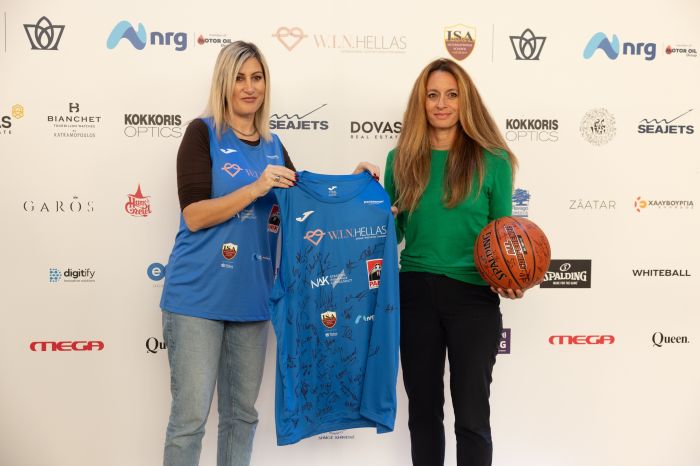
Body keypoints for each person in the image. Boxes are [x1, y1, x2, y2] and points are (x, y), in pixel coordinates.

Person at [159, 41, 378, 466]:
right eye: (239, 78)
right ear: (223, 83)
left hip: (253, 300)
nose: (249, 87)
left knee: (242, 417)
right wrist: (256, 187)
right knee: (189, 421)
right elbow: (195, 215)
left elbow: (308, 206)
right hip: (196, 299)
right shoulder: (201, 133)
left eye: (256, 77)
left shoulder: (274, 146)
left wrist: (355, 184)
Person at [383, 58, 521, 466]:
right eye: (432, 95)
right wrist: (369, 207)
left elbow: (502, 238)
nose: (441, 104)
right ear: (421, 102)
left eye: (451, 94)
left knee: (472, 418)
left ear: (466, 101)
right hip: (415, 294)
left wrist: (511, 277)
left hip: (473, 297)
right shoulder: (399, 159)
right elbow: (391, 235)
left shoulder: (494, 161)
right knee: (423, 416)